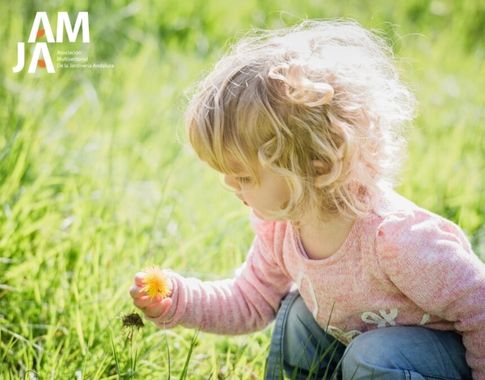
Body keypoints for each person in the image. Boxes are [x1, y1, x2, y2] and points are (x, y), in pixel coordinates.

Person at [129, 20, 485, 379]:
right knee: (300, 315)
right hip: (372, 353)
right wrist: (180, 299)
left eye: (244, 176)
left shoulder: (395, 240)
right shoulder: (280, 228)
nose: (229, 185)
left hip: (442, 359)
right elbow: (250, 299)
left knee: (371, 354)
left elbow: (480, 307)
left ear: (315, 164)